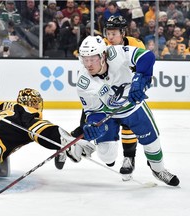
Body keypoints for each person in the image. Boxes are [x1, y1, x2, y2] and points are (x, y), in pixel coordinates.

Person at [77, 35, 179, 187]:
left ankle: (158, 170)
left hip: (134, 108)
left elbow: (147, 56)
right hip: (108, 115)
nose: (89, 64)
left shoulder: (116, 53)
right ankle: (109, 149)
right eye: (85, 60)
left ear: (103, 55)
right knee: (106, 156)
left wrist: (139, 78)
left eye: (93, 59)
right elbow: (93, 111)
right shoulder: (83, 83)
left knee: (152, 143)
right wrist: (93, 125)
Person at [55, 16, 145, 181]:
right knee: (89, 125)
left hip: (122, 93)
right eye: (107, 33)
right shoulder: (101, 44)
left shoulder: (135, 44)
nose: (109, 37)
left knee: (129, 123)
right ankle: (69, 144)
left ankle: (128, 159)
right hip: (101, 94)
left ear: (123, 32)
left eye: (113, 33)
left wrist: (139, 82)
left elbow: (140, 67)